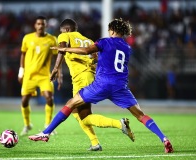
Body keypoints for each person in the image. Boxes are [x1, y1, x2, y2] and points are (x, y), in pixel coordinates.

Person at [29, 18, 173, 153]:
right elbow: (102, 59)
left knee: (71, 103)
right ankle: (164, 138)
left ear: (111, 30)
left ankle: (45, 133)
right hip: (120, 86)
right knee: (141, 115)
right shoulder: (127, 48)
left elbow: (86, 51)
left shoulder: (104, 42)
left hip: (101, 84)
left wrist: (65, 50)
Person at [48, 18, 133, 151]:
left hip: (80, 78)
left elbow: (61, 49)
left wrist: (56, 68)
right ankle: (95, 143)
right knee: (78, 114)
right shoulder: (88, 40)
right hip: (89, 76)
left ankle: (118, 124)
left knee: (82, 114)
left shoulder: (64, 35)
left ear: (66, 29)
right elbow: (97, 58)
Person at [18, 16, 62, 136]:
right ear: (35, 25)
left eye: (42, 24)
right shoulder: (27, 38)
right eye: (38, 24)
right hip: (29, 75)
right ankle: (27, 125)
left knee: (49, 98)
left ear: (45, 26)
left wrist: (58, 72)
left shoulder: (52, 39)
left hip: (44, 76)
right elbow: (22, 54)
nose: (40, 26)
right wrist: (21, 71)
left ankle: (48, 125)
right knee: (24, 100)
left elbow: (57, 57)